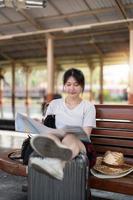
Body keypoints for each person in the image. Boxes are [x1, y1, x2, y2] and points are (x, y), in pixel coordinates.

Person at [30, 68, 96, 180]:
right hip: (57, 141)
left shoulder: (88, 107)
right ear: (64, 86)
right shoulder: (54, 104)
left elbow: (86, 135)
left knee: (69, 137)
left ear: (82, 86)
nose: (72, 88)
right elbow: (47, 128)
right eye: (68, 84)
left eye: (76, 84)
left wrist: (67, 134)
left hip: (80, 145)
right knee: (50, 136)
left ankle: (57, 165)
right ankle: (54, 165)